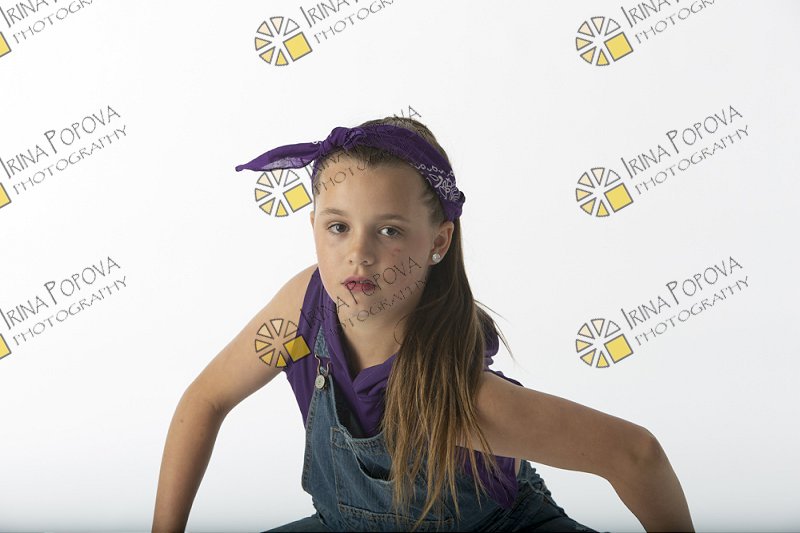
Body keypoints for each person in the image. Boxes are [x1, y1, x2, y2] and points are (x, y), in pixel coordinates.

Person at [152, 117, 694, 532]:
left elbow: (635, 455)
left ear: (438, 241)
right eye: (338, 227)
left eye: (389, 231)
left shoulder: (461, 399)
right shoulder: (302, 310)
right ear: (313, 225)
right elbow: (206, 400)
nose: (358, 254)